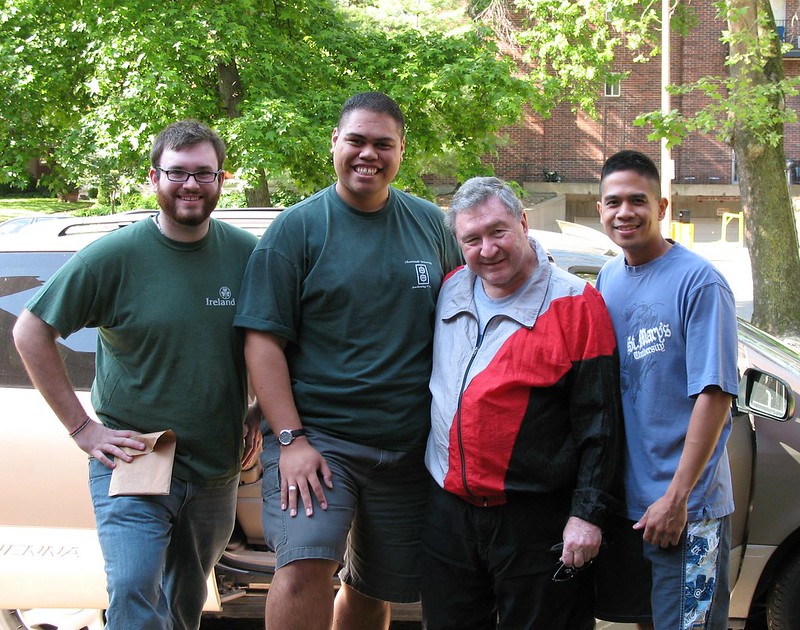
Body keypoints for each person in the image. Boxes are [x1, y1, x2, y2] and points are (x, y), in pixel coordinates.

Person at [12, 120, 262, 630]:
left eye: (203, 174)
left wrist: (259, 409)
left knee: (185, 605)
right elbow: (30, 331)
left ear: (221, 179)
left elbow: (273, 341)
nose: (190, 185)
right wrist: (83, 429)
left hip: (216, 464)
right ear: (154, 178)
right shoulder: (114, 256)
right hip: (134, 455)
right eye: (177, 173)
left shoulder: (246, 254)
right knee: (133, 589)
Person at [234, 91, 463, 630]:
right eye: (356, 140)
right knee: (303, 568)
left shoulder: (432, 226)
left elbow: (468, 317)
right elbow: (261, 341)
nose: (369, 154)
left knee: (374, 586)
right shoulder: (297, 229)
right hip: (319, 439)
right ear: (334, 142)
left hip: (411, 447)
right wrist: (289, 440)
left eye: (383, 144)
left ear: (401, 150)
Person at [421, 176, 624, 629]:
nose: (487, 250)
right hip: (449, 512)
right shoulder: (452, 286)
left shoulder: (577, 304)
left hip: (537, 520)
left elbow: (602, 424)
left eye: (498, 232)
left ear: (524, 223)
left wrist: (587, 516)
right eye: (471, 239)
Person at [593, 150, 739, 629]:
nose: (625, 212)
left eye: (638, 200)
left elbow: (715, 395)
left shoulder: (699, 282)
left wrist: (678, 498)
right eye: (613, 202)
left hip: (688, 510)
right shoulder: (608, 278)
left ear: (663, 206)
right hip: (633, 507)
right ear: (600, 210)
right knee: (649, 621)